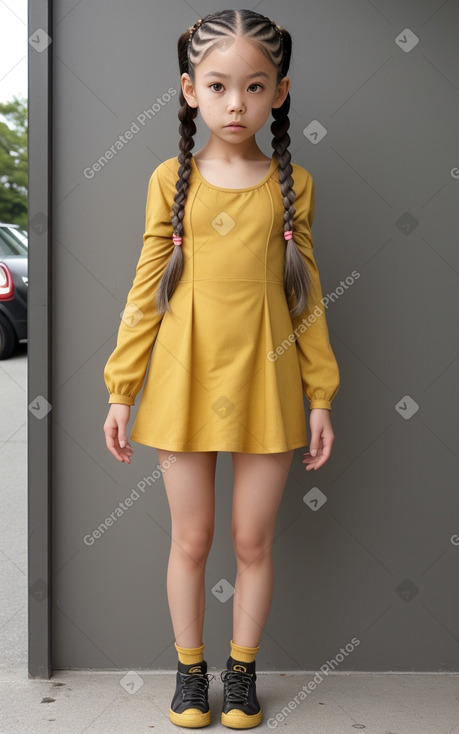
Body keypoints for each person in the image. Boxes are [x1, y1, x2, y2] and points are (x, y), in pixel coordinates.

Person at [103, 8, 340, 729]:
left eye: (254, 86)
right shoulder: (165, 181)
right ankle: (189, 672)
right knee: (191, 538)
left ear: (280, 92)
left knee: (251, 540)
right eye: (217, 85)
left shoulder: (292, 183)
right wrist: (122, 390)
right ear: (189, 90)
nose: (235, 103)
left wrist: (320, 394)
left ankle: (241, 674)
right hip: (183, 379)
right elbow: (146, 289)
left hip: (266, 381)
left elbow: (306, 296)